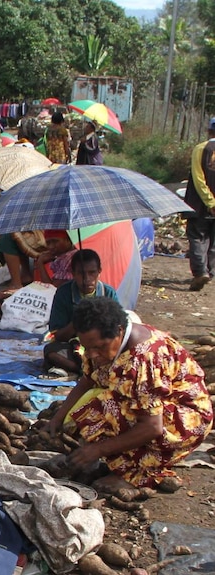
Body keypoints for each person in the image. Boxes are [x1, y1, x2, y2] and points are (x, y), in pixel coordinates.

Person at [48, 297, 213, 493]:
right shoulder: (100, 345)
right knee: (93, 410)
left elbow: (152, 427)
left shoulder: (143, 360)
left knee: (106, 408)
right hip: (149, 410)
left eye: (98, 347)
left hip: (184, 420)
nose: (91, 354)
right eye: (87, 348)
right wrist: (57, 419)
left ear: (119, 331)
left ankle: (135, 475)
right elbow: (87, 380)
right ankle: (118, 459)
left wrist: (98, 449)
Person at [44, 249, 119, 376]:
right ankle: (85, 370)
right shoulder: (64, 293)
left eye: (92, 273)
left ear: (99, 271)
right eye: (81, 274)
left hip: (101, 346)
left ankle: (85, 369)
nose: (87, 279)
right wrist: (77, 322)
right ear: (73, 273)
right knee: (51, 352)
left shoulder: (108, 293)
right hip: (73, 345)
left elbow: (117, 329)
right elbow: (58, 335)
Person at [183, 118, 215, 291]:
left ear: (209, 131)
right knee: (213, 240)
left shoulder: (201, 149)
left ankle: (200, 272)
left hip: (200, 205)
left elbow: (198, 178)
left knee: (197, 237)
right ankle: (210, 271)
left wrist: (210, 201)